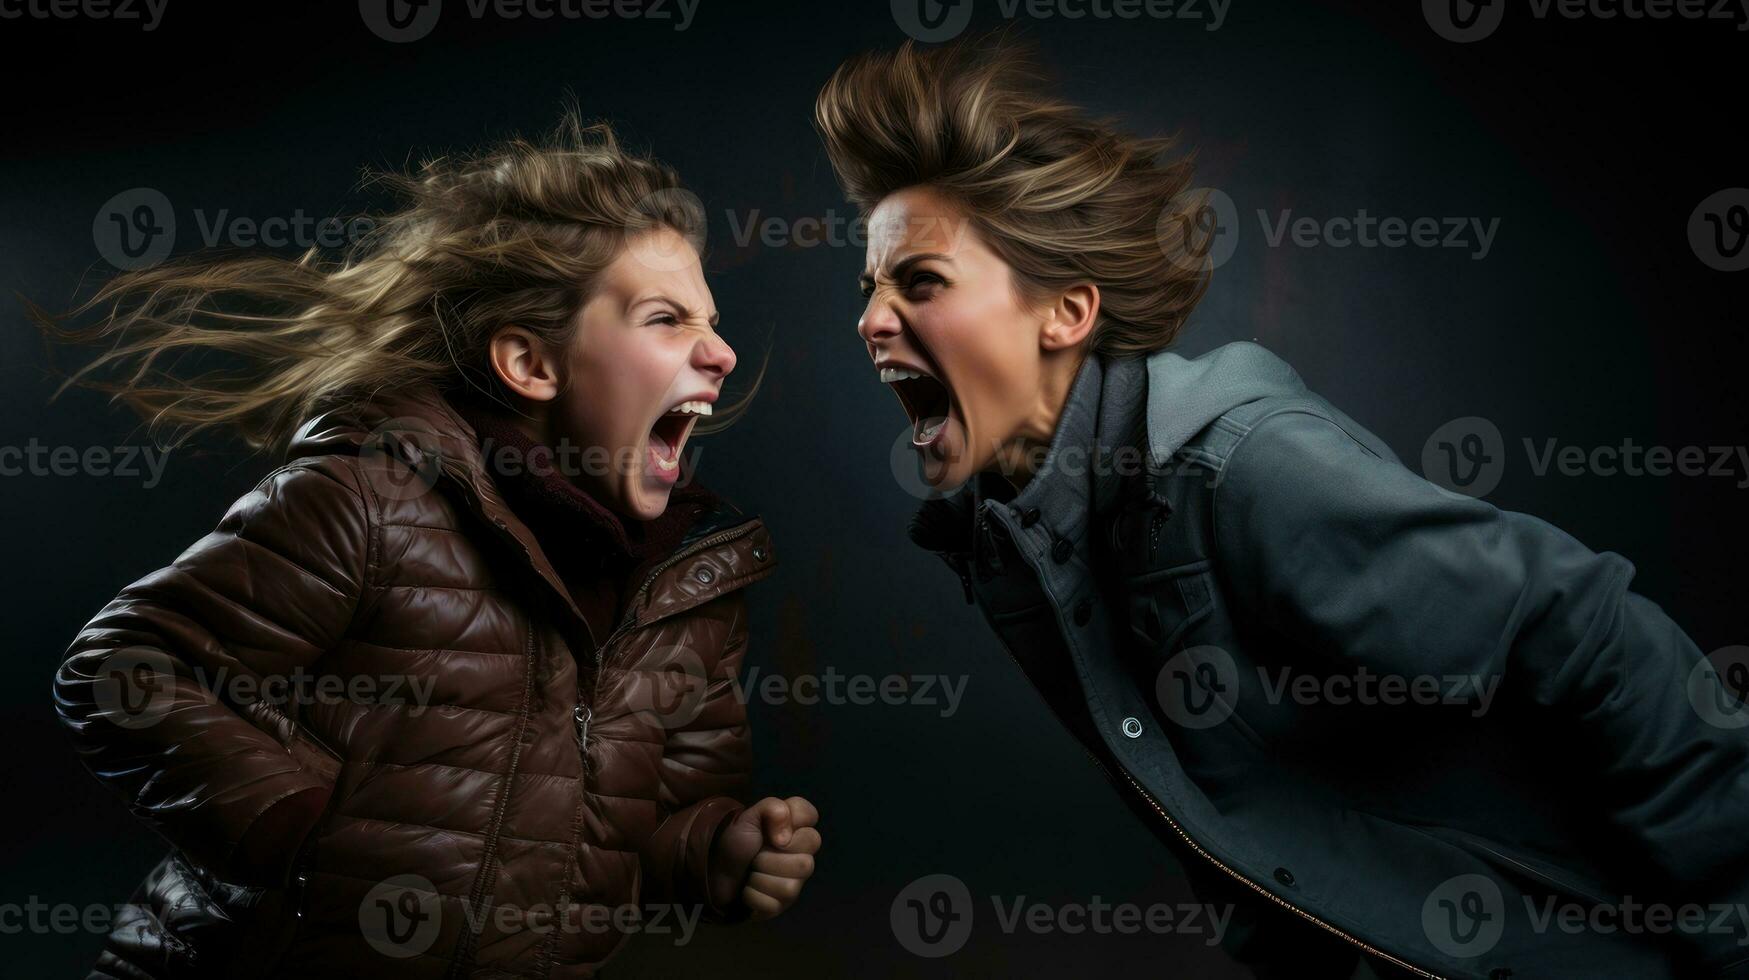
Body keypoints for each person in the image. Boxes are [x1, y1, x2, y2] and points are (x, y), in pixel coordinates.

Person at [815, 36, 1747, 979]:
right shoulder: (1025, 539)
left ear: (1066, 313)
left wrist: (1731, 925)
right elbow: (1244, 814)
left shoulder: (1245, 469)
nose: (870, 319)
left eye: (919, 282)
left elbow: (1585, 629)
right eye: (869, 288)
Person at [42, 111, 817, 977]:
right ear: (530, 363)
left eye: (711, 321)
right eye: (667, 319)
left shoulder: (690, 586)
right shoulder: (375, 497)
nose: (722, 352)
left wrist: (714, 850)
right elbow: (125, 668)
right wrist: (296, 830)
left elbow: (649, 822)